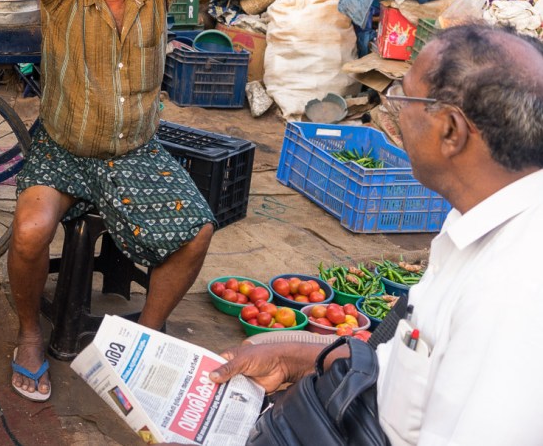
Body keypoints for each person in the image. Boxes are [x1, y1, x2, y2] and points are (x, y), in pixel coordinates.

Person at [211, 24, 543, 445]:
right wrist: (294, 358)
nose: (394, 112)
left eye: (403, 97)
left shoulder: (514, 294)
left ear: (451, 131)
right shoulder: (474, 217)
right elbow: (411, 374)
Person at [9, 0, 223, 401]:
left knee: (198, 231)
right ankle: (29, 334)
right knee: (29, 232)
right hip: (63, 149)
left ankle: (145, 338)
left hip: (134, 152)